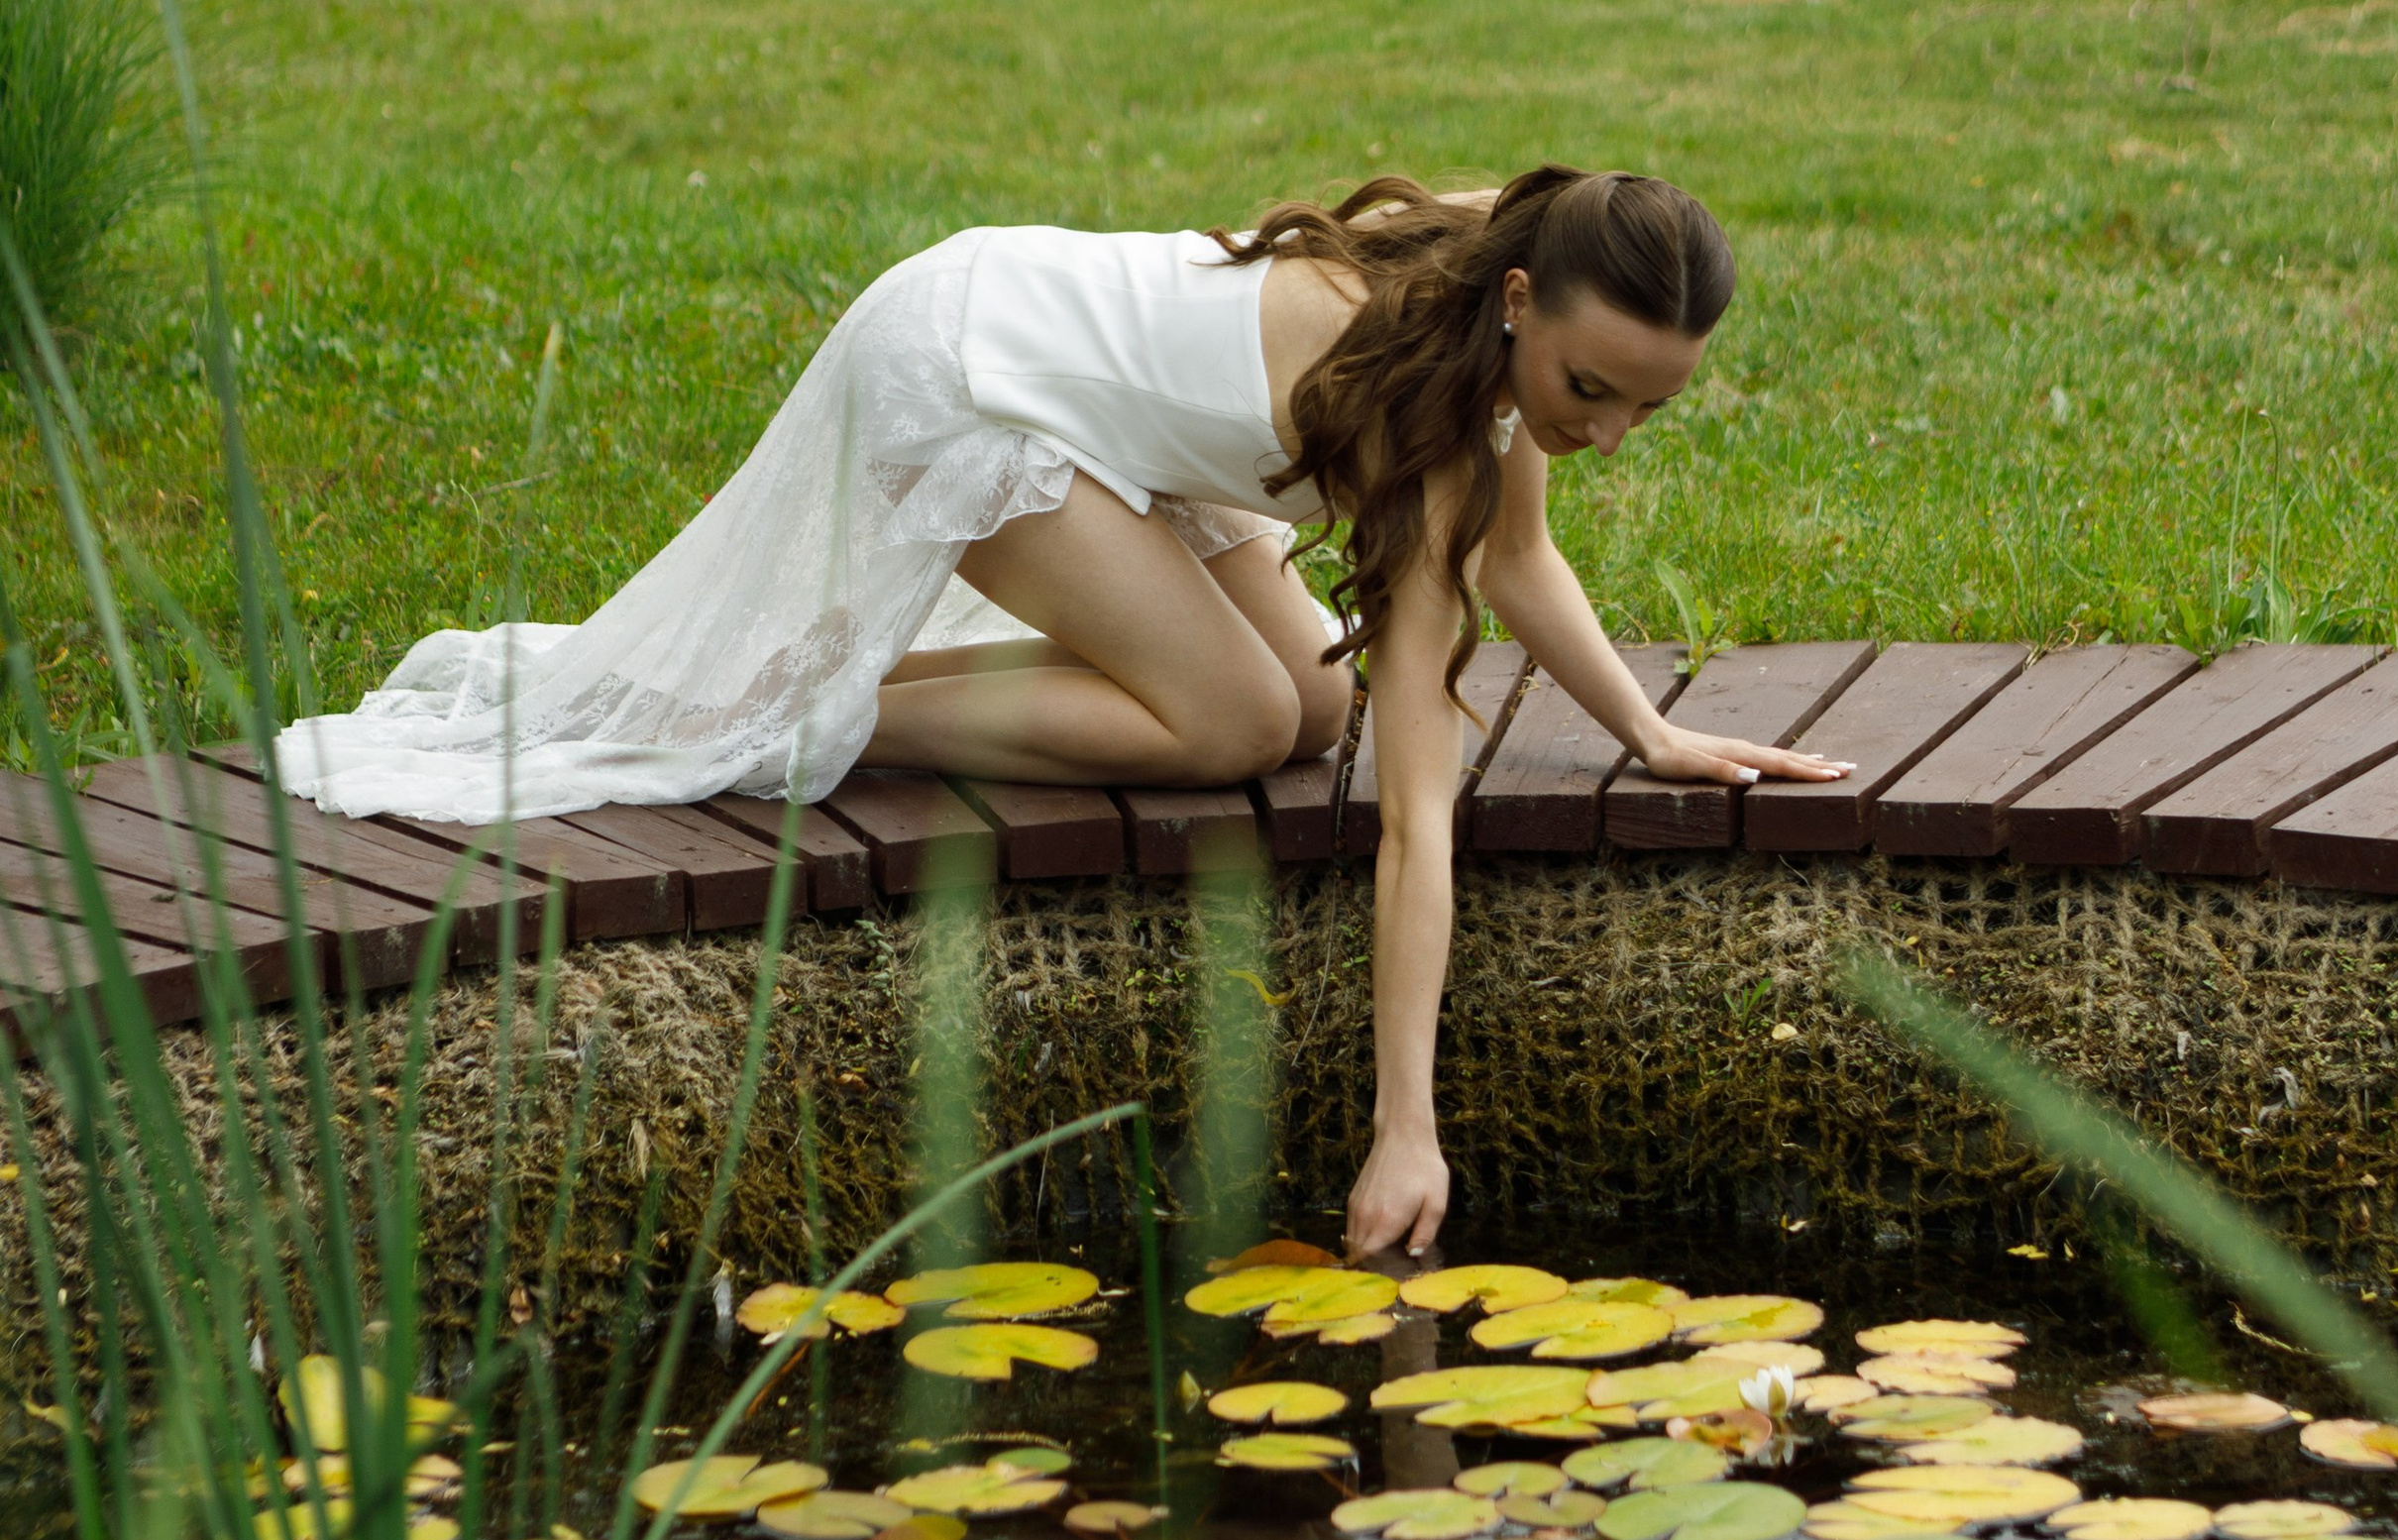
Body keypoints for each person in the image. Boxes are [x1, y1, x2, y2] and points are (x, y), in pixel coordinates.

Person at [275, 167, 1848, 1255]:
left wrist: (1646, 733)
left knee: (1305, 702)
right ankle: (812, 713)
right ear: (1522, 303)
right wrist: (1404, 1130)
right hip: (968, 372)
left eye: (1654, 403)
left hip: (1083, 381)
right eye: (1593, 390)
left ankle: (831, 696)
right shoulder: (1422, 398)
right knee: (1240, 724)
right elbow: (1415, 820)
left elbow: (1525, 558)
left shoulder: (1486, 290)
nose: (1615, 430)